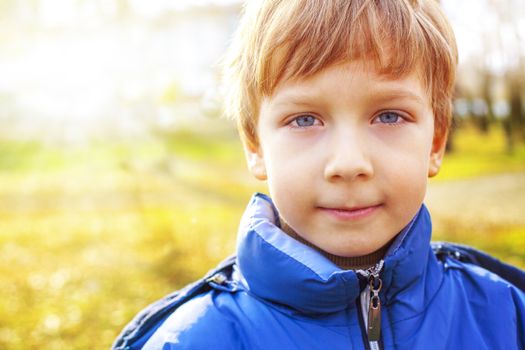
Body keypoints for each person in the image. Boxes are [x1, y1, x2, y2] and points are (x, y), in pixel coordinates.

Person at [113, 1, 525, 349]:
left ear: (435, 143)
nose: (347, 163)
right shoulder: (194, 340)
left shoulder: (506, 314)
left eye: (388, 115)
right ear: (255, 147)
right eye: (305, 119)